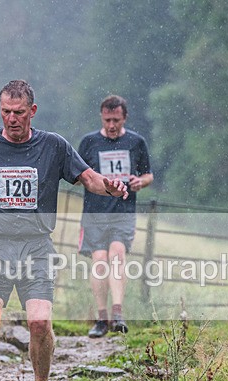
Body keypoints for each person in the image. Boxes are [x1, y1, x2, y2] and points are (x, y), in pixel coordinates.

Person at [0, 80, 128, 381]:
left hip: (37, 247)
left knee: (39, 323)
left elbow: (87, 178)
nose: (11, 118)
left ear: (32, 111)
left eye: (18, 112)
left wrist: (110, 186)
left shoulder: (53, 146)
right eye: (5, 112)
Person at [78, 95, 153, 338]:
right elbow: (79, 175)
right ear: (101, 117)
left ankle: (118, 314)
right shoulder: (89, 143)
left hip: (123, 210)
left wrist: (139, 182)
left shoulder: (136, 142)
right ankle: (102, 318)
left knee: (117, 255)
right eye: (108, 120)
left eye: (117, 121)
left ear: (125, 118)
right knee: (100, 260)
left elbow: (148, 175)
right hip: (95, 212)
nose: (112, 125)